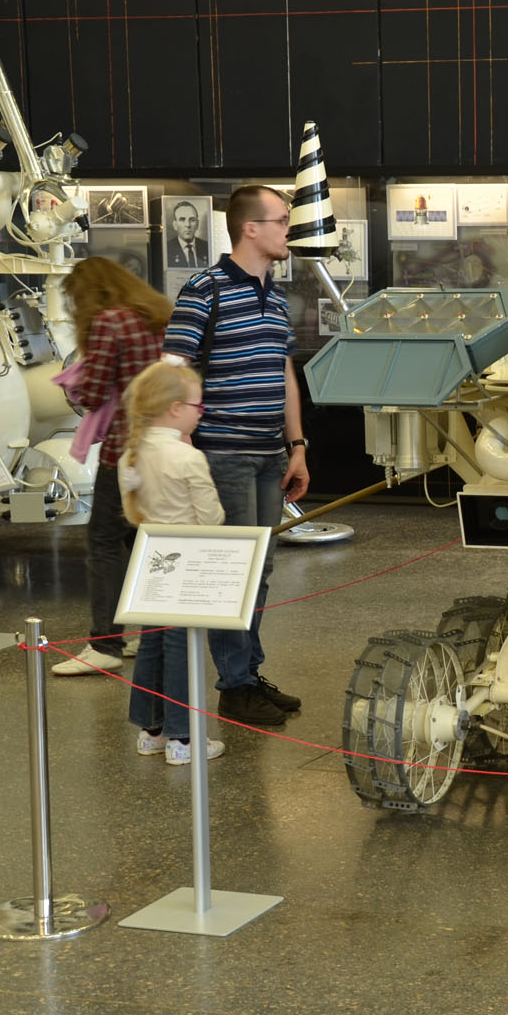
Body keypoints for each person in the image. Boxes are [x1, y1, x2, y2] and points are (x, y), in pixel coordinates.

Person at [160, 184, 309, 727]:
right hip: (223, 456)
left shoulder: (274, 295)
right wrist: (177, 446)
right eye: (282, 220)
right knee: (235, 572)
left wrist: (297, 447)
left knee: (260, 571)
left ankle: (245, 675)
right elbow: (173, 369)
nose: (288, 229)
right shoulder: (206, 289)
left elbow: (284, 374)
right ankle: (236, 685)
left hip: (270, 455)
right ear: (252, 228)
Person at [53, 256, 171, 676]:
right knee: (142, 542)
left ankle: (104, 643)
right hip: (161, 446)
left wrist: (76, 385)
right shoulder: (157, 315)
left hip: (122, 449)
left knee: (103, 542)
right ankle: (150, 632)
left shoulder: (107, 322)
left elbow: (95, 389)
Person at [118, 362, 227, 765]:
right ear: (175, 408)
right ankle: (184, 738)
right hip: (188, 562)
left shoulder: (129, 456)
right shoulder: (186, 457)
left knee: (152, 642)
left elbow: (133, 515)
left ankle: (152, 730)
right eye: (199, 404)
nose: (202, 411)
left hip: (152, 559)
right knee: (181, 646)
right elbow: (212, 518)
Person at [167, 199, 206, 269]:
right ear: (175, 225)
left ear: (197, 224)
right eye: (182, 219)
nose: (188, 225)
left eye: (192, 220)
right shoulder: (167, 250)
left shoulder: (207, 247)